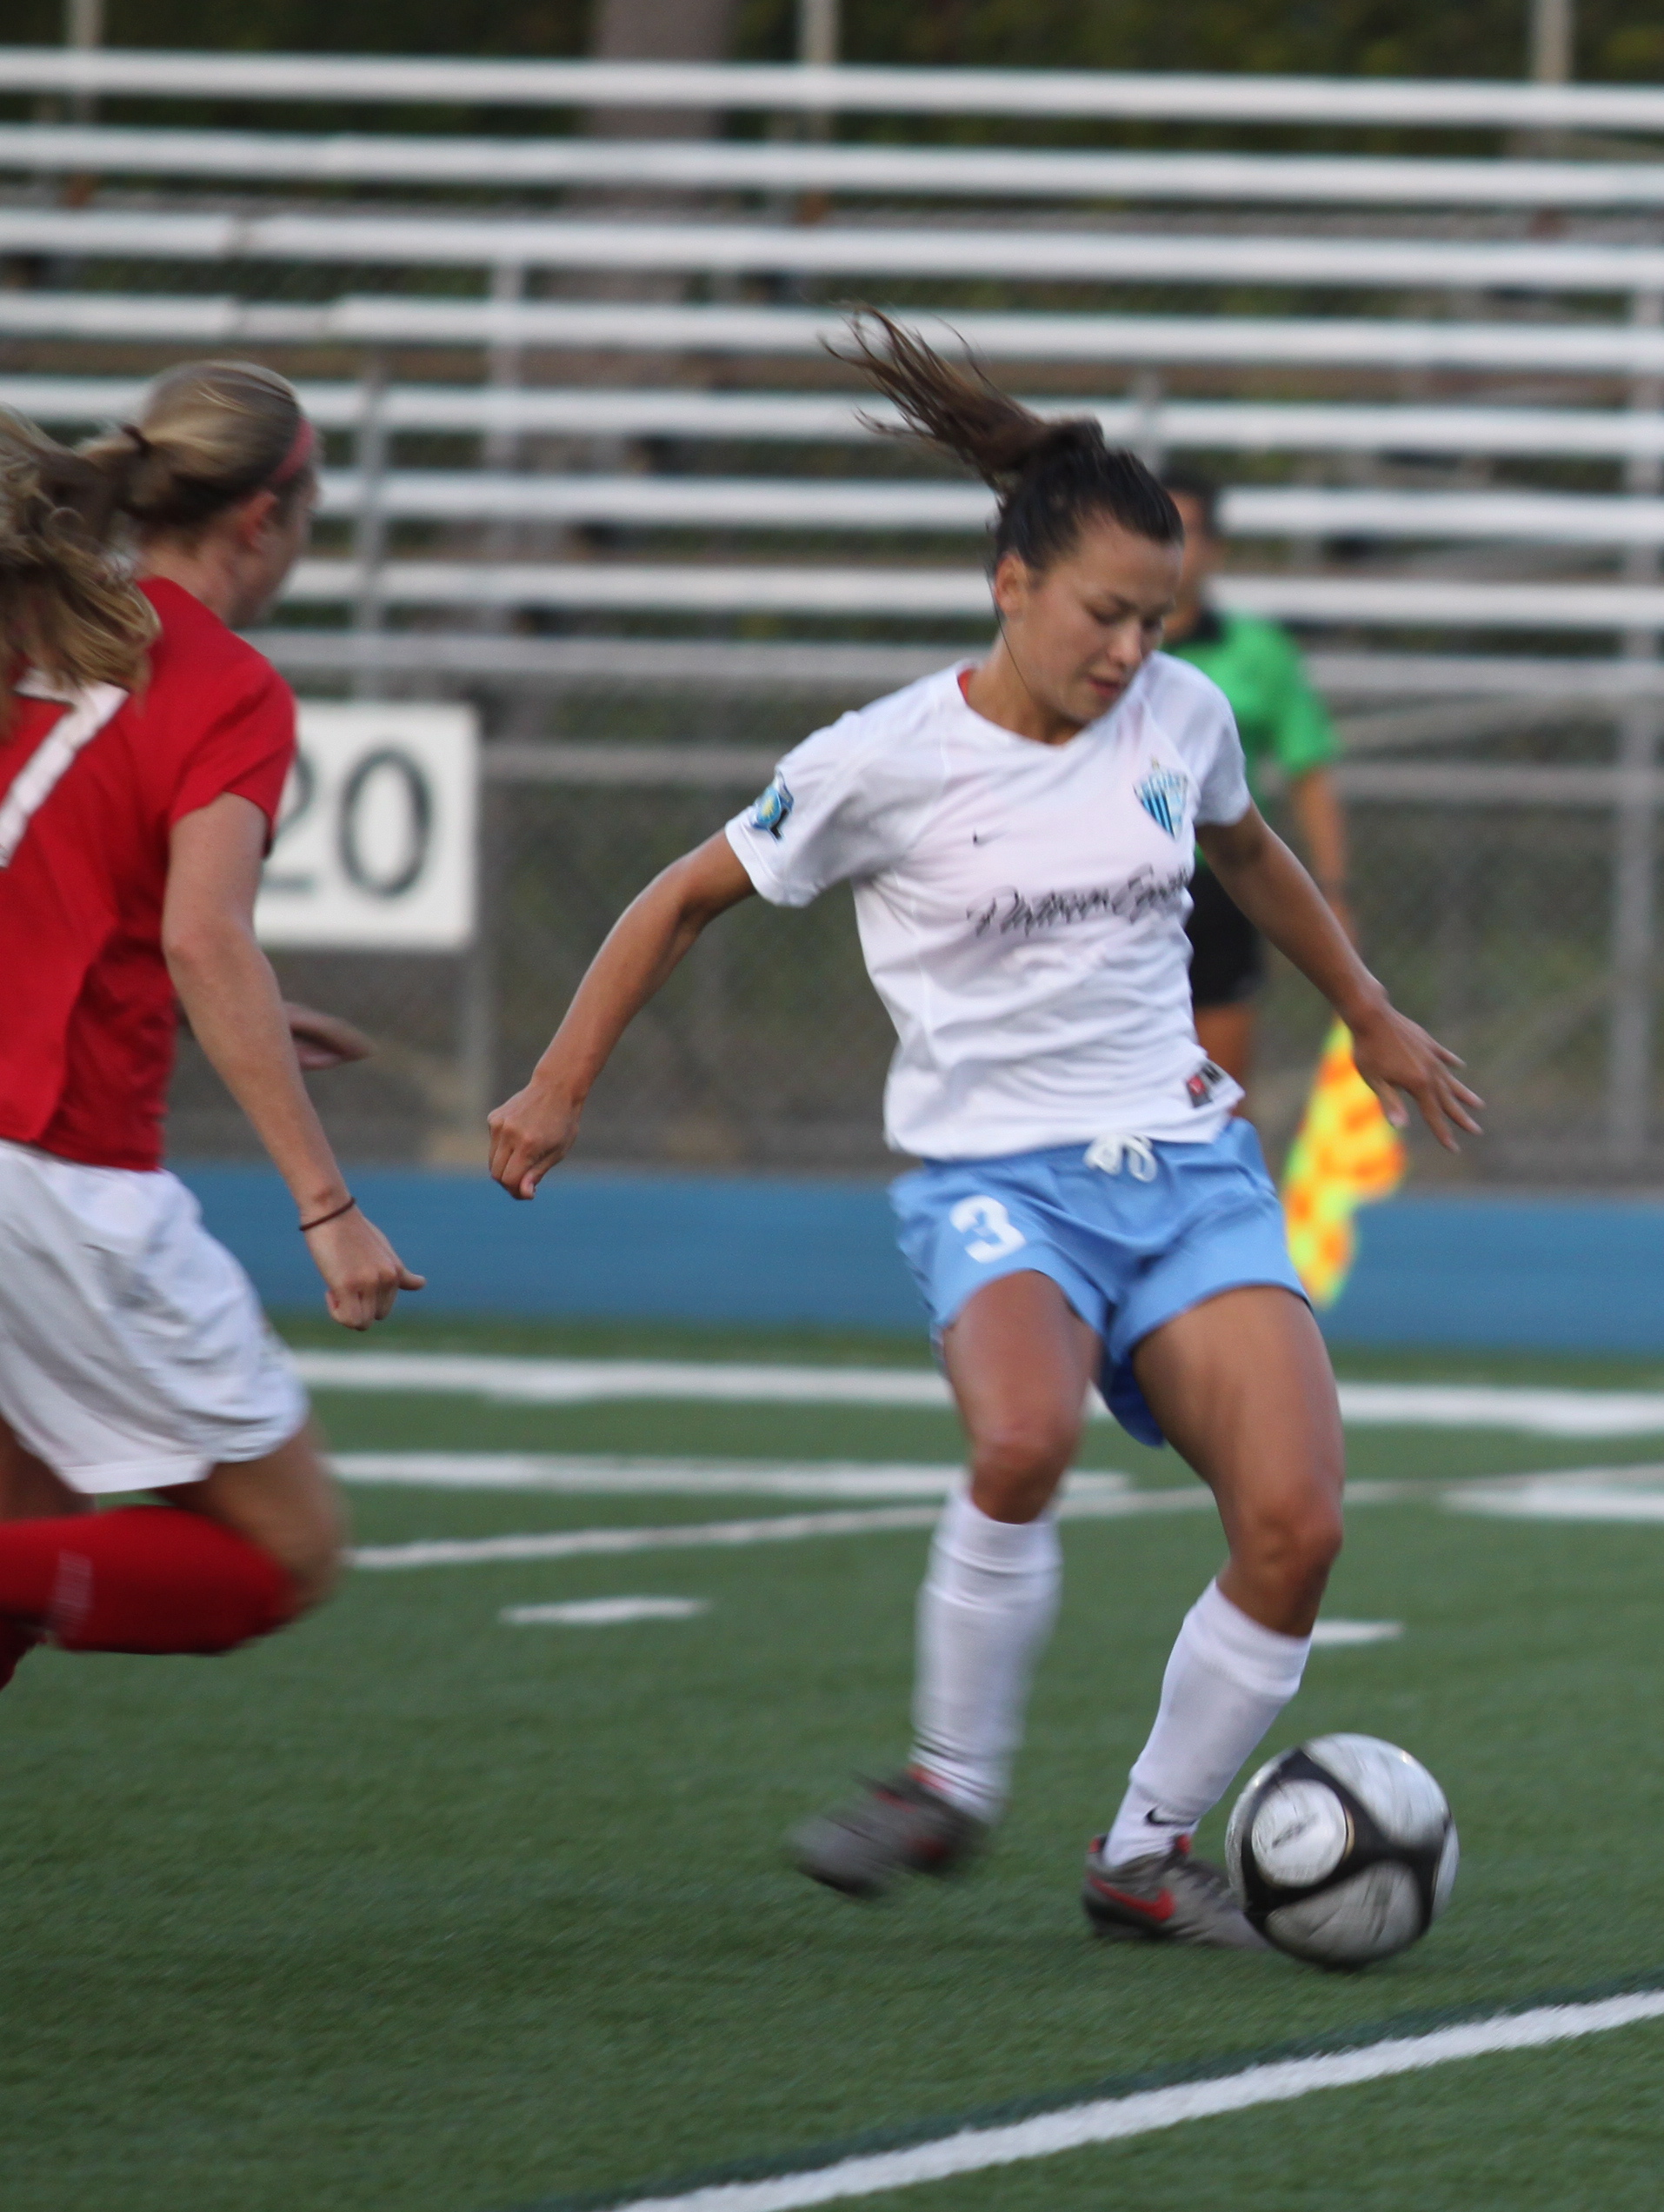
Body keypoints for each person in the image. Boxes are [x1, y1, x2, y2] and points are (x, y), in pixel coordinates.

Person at [486, 315, 1479, 1947]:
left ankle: (1144, 1853)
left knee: (1297, 1526)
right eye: (1103, 614)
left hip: (1182, 1173)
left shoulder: (1179, 716)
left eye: (1153, 621)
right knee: (1017, 1442)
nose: (1128, 652)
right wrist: (554, 1081)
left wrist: (1363, 1011)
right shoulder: (877, 761)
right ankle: (948, 1782)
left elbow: (1246, 858)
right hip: (993, 1180)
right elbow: (680, 900)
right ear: (1009, 585)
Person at [0, 362, 422, 1698]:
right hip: (56, 1178)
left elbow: (96, 905)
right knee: (290, 1554)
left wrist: (182, 999)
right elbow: (204, 931)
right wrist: (326, 1203)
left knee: (31, 1529)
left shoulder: (44, 629)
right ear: (265, 517)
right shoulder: (225, 681)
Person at [1161, 470, 1349, 1089]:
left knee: (1214, 1097)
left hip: (1219, 886)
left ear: (1216, 547)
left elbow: (1308, 769)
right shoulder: (1094, 645)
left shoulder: (1260, 652)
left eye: (1186, 532)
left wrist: (1334, 889)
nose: (1172, 548)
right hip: (1113, 889)